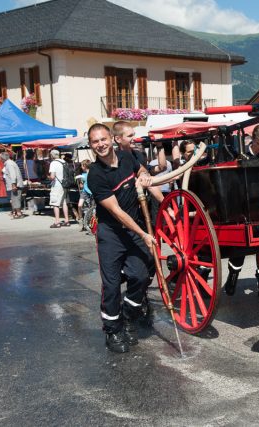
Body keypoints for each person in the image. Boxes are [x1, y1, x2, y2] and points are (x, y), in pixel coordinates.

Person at [86, 123, 157, 353]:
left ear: (111, 139)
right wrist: (144, 233)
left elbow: (141, 170)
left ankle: (128, 315)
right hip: (111, 233)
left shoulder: (128, 157)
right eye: (95, 142)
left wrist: (144, 175)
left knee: (141, 275)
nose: (100, 145)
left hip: (133, 230)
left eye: (103, 139)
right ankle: (112, 330)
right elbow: (117, 212)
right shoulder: (95, 175)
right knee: (112, 284)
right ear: (91, 145)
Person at [224, 124, 259, 297]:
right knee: (239, 247)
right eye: (258, 144)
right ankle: (232, 277)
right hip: (242, 203)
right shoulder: (240, 153)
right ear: (252, 139)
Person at [0, 151, 25, 219]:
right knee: (15, 199)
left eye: (0, 159)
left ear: (3, 158)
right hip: (16, 184)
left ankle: (19, 214)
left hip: (16, 185)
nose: (0, 160)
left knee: (15, 199)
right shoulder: (9, 163)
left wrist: (13, 184)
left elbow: (13, 175)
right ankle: (17, 213)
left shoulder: (9, 164)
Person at [48, 149, 70, 228]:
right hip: (65, 184)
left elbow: (52, 176)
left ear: (52, 155)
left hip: (57, 185)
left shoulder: (53, 163)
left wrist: (49, 177)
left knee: (55, 203)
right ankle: (67, 220)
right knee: (64, 202)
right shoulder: (63, 162)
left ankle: (57, 222)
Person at [76, 159, 92, 231]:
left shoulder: (92, 174)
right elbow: (81, 186)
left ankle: (90, 223)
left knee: (91, 208)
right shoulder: (82, 175)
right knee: (80, 205)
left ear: (85, 166)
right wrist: (80, 181)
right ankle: (81, 219)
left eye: (82, 165)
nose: (81, 167)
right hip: (84, 191)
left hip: (91, 192)